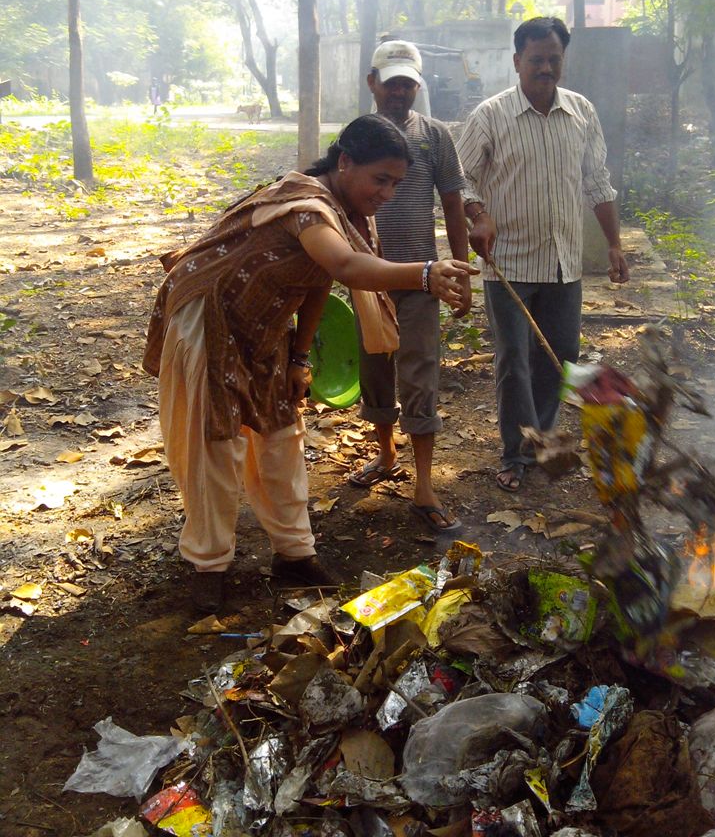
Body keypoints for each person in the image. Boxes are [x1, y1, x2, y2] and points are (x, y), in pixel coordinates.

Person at [142, 115, 476, 611]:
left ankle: (295, 554)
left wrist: (300, 355)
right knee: (215, 447)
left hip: (266, 322)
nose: (386, 192)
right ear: (345, 162)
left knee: (281, 438)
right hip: (209, 317)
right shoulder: (308, 206)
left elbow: (320, 280)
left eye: (396, 184)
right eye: (379, 179)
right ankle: (207, 566)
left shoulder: (345, 212)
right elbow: (343, 267)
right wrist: (425, 273)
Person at [457, 16, 630, 494]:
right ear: (517, 62)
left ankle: (541, 440)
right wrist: (478, 215)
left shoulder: (581, 113)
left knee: (561, 358)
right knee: (513, 359)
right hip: (508, 260)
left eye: (555, 59)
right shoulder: (491, 116)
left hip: (563, 261)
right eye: (537, 60)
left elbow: (598, 182)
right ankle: (514, 453)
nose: (546, 68)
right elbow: (460, 177)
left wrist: (614, 244)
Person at [348, 40, 472, 534]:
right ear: (372, 83)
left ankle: (424, 485)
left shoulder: (434, 136)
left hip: (422, 279)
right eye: (391, 81)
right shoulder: (356, 137)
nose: (400, 91)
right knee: (375, 369)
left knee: (420, 374)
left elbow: (453, 203)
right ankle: (385, 455)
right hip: (369, 278)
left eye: (408, 83)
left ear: (418, 86)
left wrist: (459, 272)